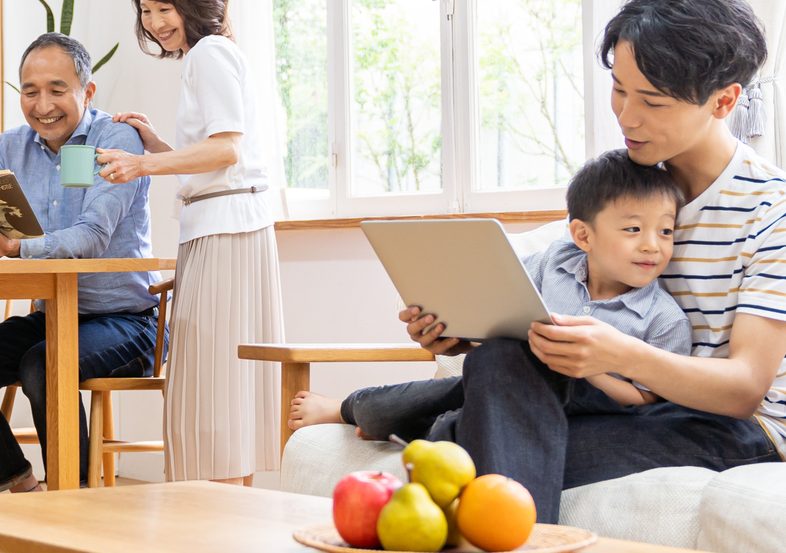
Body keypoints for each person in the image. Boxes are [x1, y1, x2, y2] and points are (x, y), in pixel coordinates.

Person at [337, 0, 786, 553]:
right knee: (499, 354)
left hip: (723, 427)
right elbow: (552, 303)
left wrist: (618, 351)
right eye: (619, 89)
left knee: (457, 452)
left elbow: (747, 388)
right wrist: (458, 330)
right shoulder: (622, 187)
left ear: (724, 102)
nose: (627, 113)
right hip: (595, 393)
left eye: (650, 100)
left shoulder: (777, 211)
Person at [291, 149, 695, 450]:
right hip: (502, 378)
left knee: (457, 412)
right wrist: (458, 327)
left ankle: (400, 420)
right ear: (583, 236)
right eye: (633, 229)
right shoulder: (554, 262)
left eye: (665, 232)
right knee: (464, 379)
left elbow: (644, 401)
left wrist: (584, 367)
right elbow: (506, 308)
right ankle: (355, 408)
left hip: (585, 410)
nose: (652, 246)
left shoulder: (664, 319)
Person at [0, 33, 158, 493]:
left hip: (128, 321)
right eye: (30, 91)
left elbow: (92, 237)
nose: (42, 104)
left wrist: (13, 247)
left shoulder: (117, 139)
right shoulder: (9, 149)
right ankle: (22, 492)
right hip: (52, 315)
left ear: (87, 92)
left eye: (57, 89)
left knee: (42, 364)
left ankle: (74, 507)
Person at [98, 0, 285, 484]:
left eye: (165, 8)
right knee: (222, 384)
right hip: (223, 227)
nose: (155, 23)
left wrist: (140, 164)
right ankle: (227, 518)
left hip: (226, 231)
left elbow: (226, 150)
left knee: (212, 382)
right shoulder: (211, 57)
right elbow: (212, 157)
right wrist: (154, 142)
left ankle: (217, 520)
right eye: (146, 10)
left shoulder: (210, 55)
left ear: (192, 0)